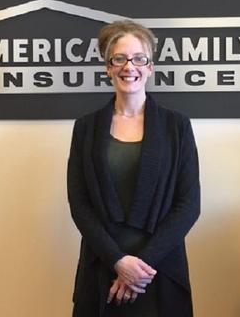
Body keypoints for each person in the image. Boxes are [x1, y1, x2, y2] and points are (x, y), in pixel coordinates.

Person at [67, 19, 200, 317]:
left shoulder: (176, 127)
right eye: (119, 59)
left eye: (139, 58)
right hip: (102, 268)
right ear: (108, 68)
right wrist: (118, 262)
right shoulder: (85, 128)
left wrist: (139, 268)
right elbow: (80, 204)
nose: (130, 67)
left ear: (150, 67)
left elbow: (189, 205)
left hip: (160, 270)